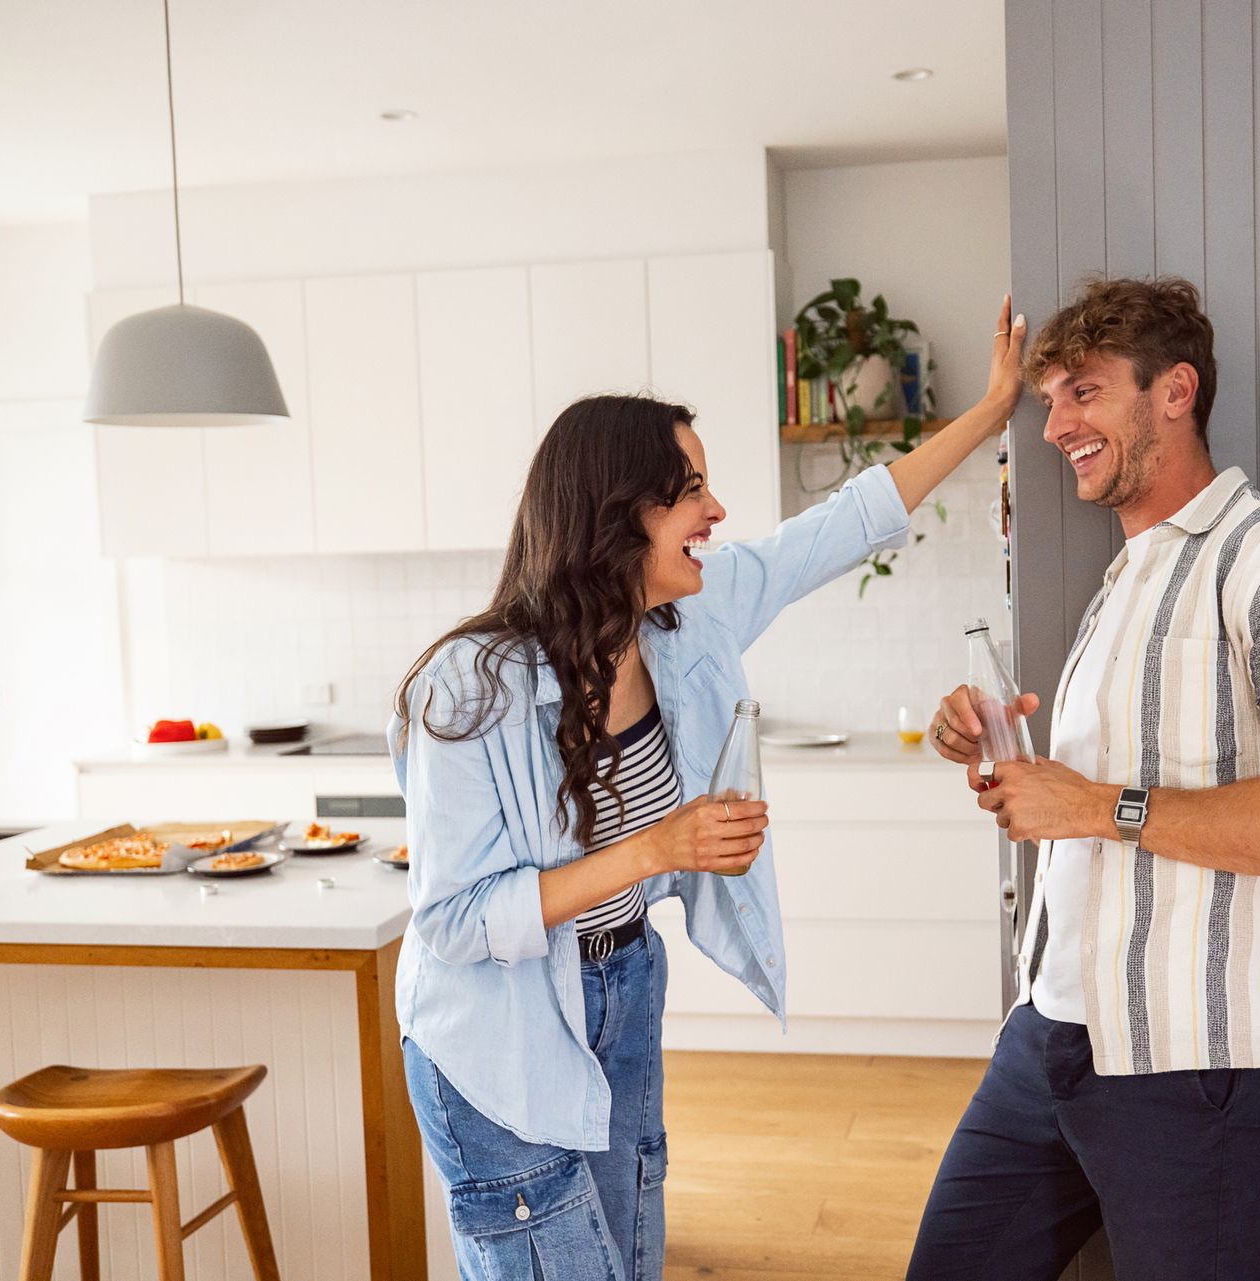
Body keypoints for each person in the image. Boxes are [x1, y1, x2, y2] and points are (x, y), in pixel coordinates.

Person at [390, 298, 1028, 1280]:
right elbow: (454, 923)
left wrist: (991, 413)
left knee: (631, 1259)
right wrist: (661, 848)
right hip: (497, 1034)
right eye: (689, 490)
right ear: (615, 515)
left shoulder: (690, 615)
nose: (716, 512)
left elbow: (847, 524)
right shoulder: (473, 687)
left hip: (624, 983)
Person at [912, 276, 1260, 1281]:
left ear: (1174, 392)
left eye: (1082, 393)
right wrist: (999, 751)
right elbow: (1105, 794)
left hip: (1189, 1065)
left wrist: (1090, 805)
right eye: (1050, 399)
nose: (1055, 426)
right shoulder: (1126, 579)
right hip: (1048, 1033)